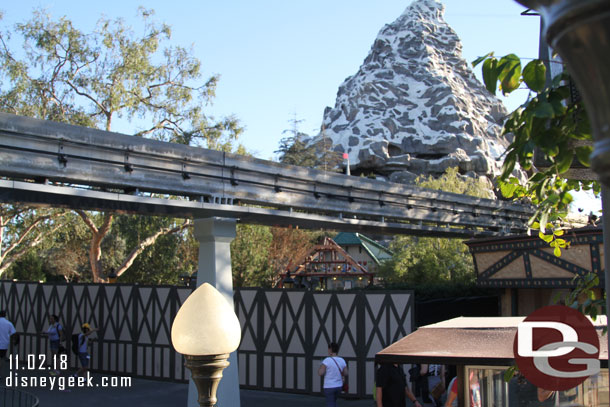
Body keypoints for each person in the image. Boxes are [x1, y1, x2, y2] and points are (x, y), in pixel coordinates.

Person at [318, 342, 348, 407]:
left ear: (330, 349)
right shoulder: (342, 360)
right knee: (333, 402)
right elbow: (346, 373)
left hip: (329, 386)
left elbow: (320, 373)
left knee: (330, 403)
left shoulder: (327, 360)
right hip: (339, 385)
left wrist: (321, 366)